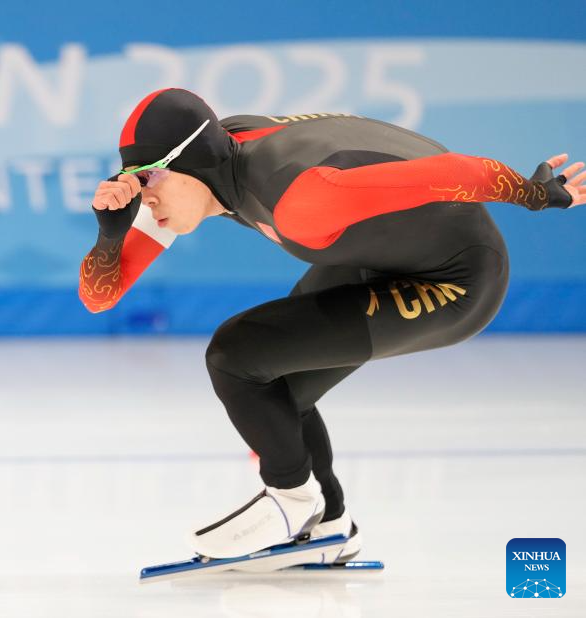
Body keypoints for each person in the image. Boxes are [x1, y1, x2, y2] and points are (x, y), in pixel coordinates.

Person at [77, 88, 584, 563]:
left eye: (149, 179)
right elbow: (99, 297)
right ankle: (329, 528)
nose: (145, 198)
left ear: (192, 163)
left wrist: (539, 194)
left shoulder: (300, 198)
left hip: (456, 280)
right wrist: (109, 236)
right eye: (135, 182)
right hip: (382, 252)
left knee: (236, 354)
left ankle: (291, 502)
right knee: (276, 394)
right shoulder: (214, 164)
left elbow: (455, 171)